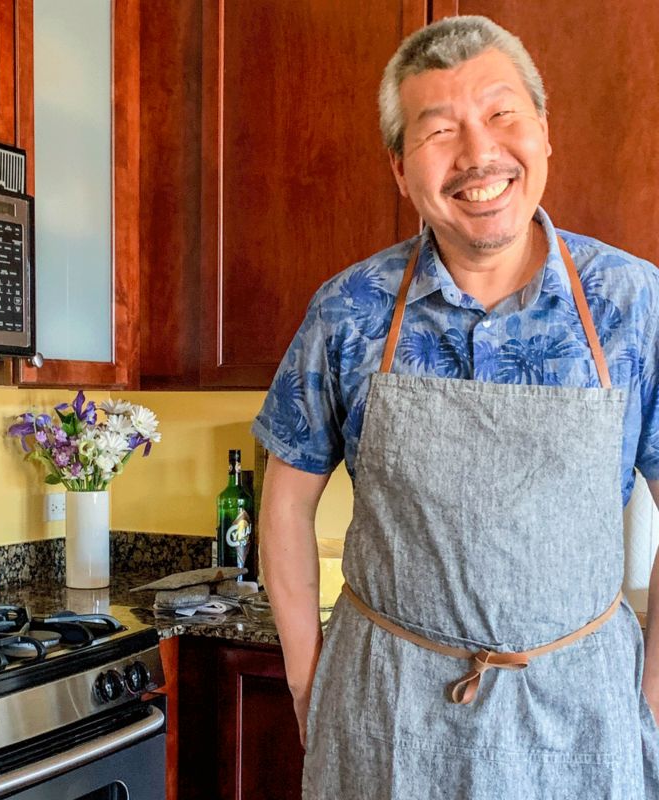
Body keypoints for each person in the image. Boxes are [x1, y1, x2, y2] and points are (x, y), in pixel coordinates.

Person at [252, 14, 659, 799]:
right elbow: (285, 504)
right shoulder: (348, 311)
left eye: (502, 115)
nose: (479, 155)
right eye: (440, 130)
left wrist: (646, 703)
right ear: (402, 170)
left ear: (543, 135)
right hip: (387, 718)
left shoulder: (633, 306)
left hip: (582, 720)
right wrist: (310, 685)